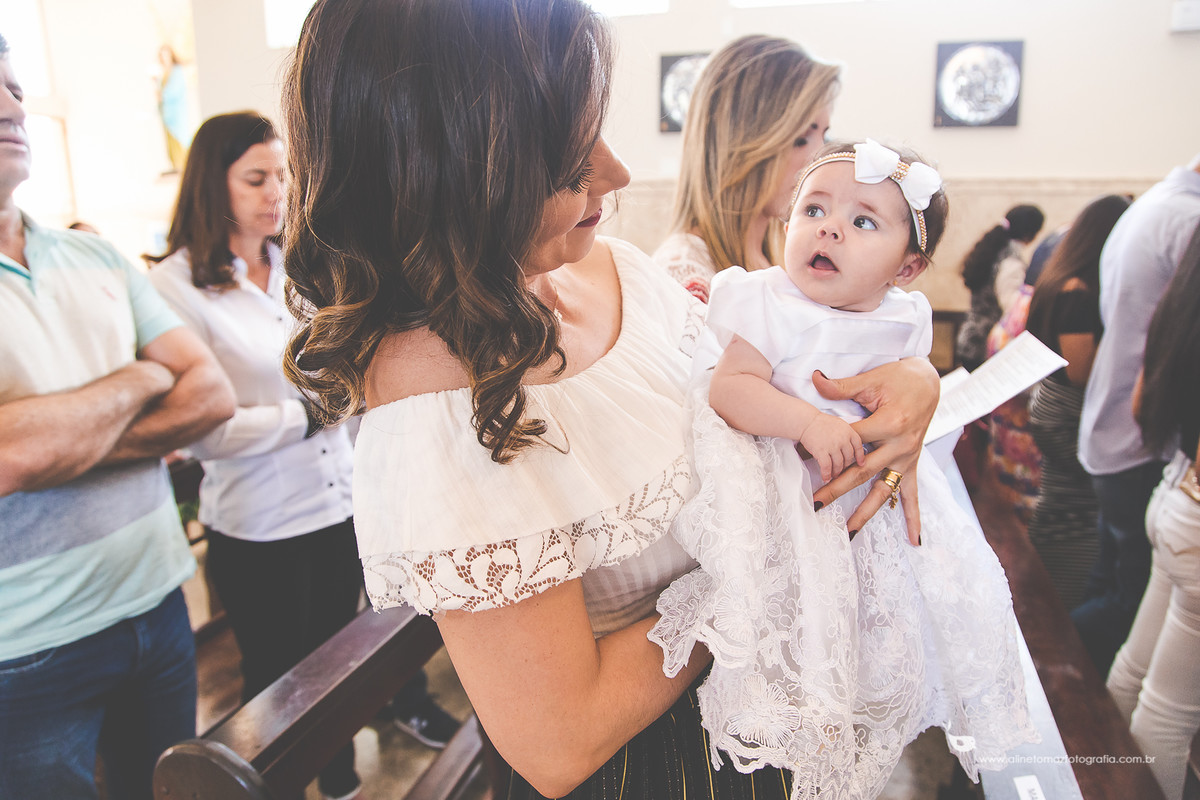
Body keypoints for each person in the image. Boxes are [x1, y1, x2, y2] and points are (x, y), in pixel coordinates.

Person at [279, 2, 941, 797]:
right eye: (566, 158)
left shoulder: (617, 268)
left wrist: (912, 379)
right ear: (451, 171)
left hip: (765, 717)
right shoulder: (441, 408)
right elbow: (562, 742)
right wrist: (774, 562)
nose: (618, 173)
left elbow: (760, 394)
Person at [649, 139, 1035, 798]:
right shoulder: (766, 299)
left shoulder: (906, 317)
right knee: (798, 638)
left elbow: (902, 414)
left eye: (862, 222)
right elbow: (731, 388)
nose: (828, 227)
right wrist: (806, 421)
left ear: (908, 268)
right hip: (790, 503)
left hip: (870, 509)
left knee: (883, 630)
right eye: (815, 208)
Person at [145, 111, 453, 800]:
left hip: (337, 500)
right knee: (277, 680)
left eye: (282, 174)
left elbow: (339, 368)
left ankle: (341, 782)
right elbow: (208, 430)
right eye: (255, 178)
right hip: (259, 521)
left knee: (339, 667)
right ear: (209, 186)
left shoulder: (299, 267)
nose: (275, 191)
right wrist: (311, 416)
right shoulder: (175, 287)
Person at [0, 32, 236, 800]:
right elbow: (10, 455)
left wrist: (57, 438)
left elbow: (210, 394)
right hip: (25, 648)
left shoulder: (93, 258)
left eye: (16, 87)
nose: (13, 104)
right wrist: (141, 374)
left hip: (157, 603)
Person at [1074, 154, 1200, 674]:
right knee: (1133, 604)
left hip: (1117, 423)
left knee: (1113, 582)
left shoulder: (1152, 204)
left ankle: (1068, 692)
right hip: (1145, 436)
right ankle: (1052, 687)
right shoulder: (1187, 220)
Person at [1105, 222, 1200, 800]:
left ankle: (1106, 783)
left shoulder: (1186, 285)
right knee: (1169, 714)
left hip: (1176, 491)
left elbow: (1145, 402)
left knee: (1135, 674)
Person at [653, 34, 840, 301]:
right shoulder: (685, 275)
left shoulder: (777, 261)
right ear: (742, 144)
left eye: (825, 136)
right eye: (800, 139)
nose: (818, 158)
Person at [1023, 195, 1131, 611]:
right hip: (1066, 407)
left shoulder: (1059, 279)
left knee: (1066, 498)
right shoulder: (1077, 292)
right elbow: (1080, 371)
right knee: (1075, 505)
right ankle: (1060, 596)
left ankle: (1053, 590)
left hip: (1052, 402)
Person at [954, 204, 1045, 372]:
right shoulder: (1010, 262)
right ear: (1030, 234)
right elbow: (1011, 309)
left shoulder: (993, 251)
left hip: (972, 337)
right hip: (986, 344)